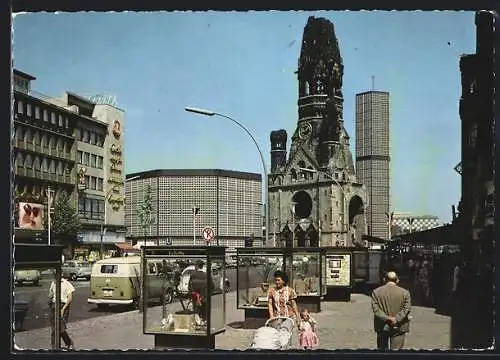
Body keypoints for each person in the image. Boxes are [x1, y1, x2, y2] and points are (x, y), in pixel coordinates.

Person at [371, 271, 411, 350]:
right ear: (397, 280)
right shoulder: (405, 293)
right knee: (396, 353)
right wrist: (396, 319)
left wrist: (387, 318)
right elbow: (407, 309)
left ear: (384, 279)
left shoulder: (376, 292)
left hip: (382, 325)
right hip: (399, 326)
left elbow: (376, 310)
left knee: (382, 352)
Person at [48, 276, 75, 350]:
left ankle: (69, 342)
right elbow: (51, 294)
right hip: (54, 305)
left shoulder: (67, 284)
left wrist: (63, 309)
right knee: (54, 328)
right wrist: (50, 300)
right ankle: (54, 347)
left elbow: (70, 299)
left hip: (63, 305)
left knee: (61, 328)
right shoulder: (53, 283)